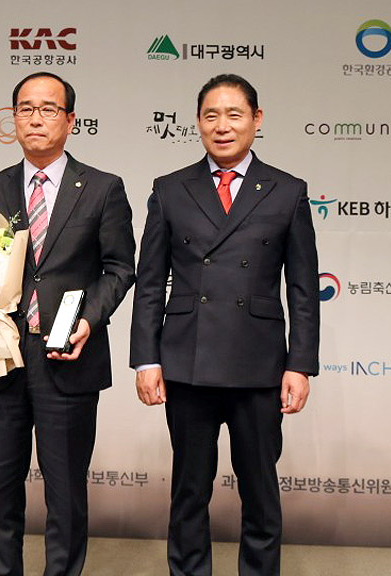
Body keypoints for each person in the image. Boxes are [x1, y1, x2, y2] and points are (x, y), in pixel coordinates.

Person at [130, 74, 319, 576]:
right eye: (211, 115)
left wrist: (300, 364)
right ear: (197, 122)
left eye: (234, 115)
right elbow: (150, 283)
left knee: (260, 490)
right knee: (189, 491)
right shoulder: (170, 189)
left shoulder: (287, 191)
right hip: (187, 362)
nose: (222, 126)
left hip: (259, 366)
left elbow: (303, 289)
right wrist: (146, 359)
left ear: (257, 120)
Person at [0, 72, 136, 576]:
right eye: (25, 109)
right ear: (13, 119)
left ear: (70, 120)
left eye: (48, 109)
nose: (35, 119)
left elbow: (119, 268)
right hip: (4, 358)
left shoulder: (103, 188)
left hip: (69, 357)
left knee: (65, 493)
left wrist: (88, 320)